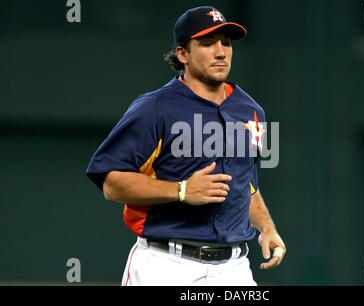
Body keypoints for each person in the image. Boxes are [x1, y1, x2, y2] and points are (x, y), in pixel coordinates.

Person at [86, 6, 286, 286]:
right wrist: (181, 190)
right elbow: (112, 182)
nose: (221, 52)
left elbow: (246, 183)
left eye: (226, 43)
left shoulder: (251, 111)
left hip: (233, 269)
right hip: (166, 264)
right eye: (207, 44)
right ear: (183, 54)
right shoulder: (154, 107)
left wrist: (266, 227)